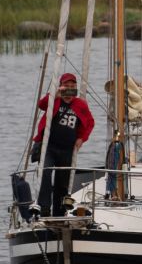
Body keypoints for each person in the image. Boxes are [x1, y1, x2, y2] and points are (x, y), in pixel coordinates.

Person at [30, 73, 94, 217]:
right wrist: (55, 94)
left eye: (72, 88)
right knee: (45, 172)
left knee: (62, 182)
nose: (68, 92)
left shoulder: (80, 104)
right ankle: (44, 207)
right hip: (49, 147)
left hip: (67, 149)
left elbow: (90, 122)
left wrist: (82, 138)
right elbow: (41, 105)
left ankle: (59, 212)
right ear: (61, 87)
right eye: (66, 88)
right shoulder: (54, 99)